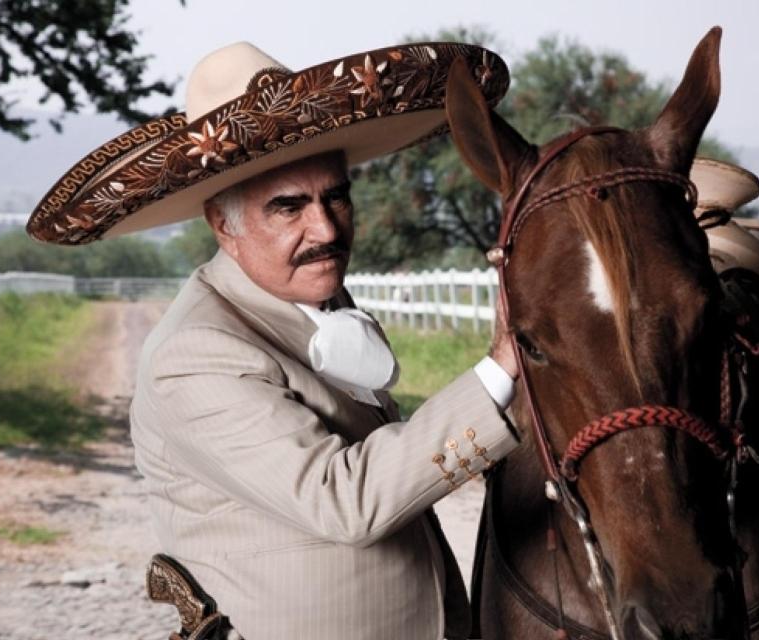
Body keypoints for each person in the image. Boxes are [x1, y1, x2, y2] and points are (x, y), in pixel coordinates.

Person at [27, 41, 519, 640]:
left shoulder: (308, 294)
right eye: (289, 207)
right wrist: (499, 369)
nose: (327, 228)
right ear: (221, 223)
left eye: (336, 195)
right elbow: (347, 502)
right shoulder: (195, 355)